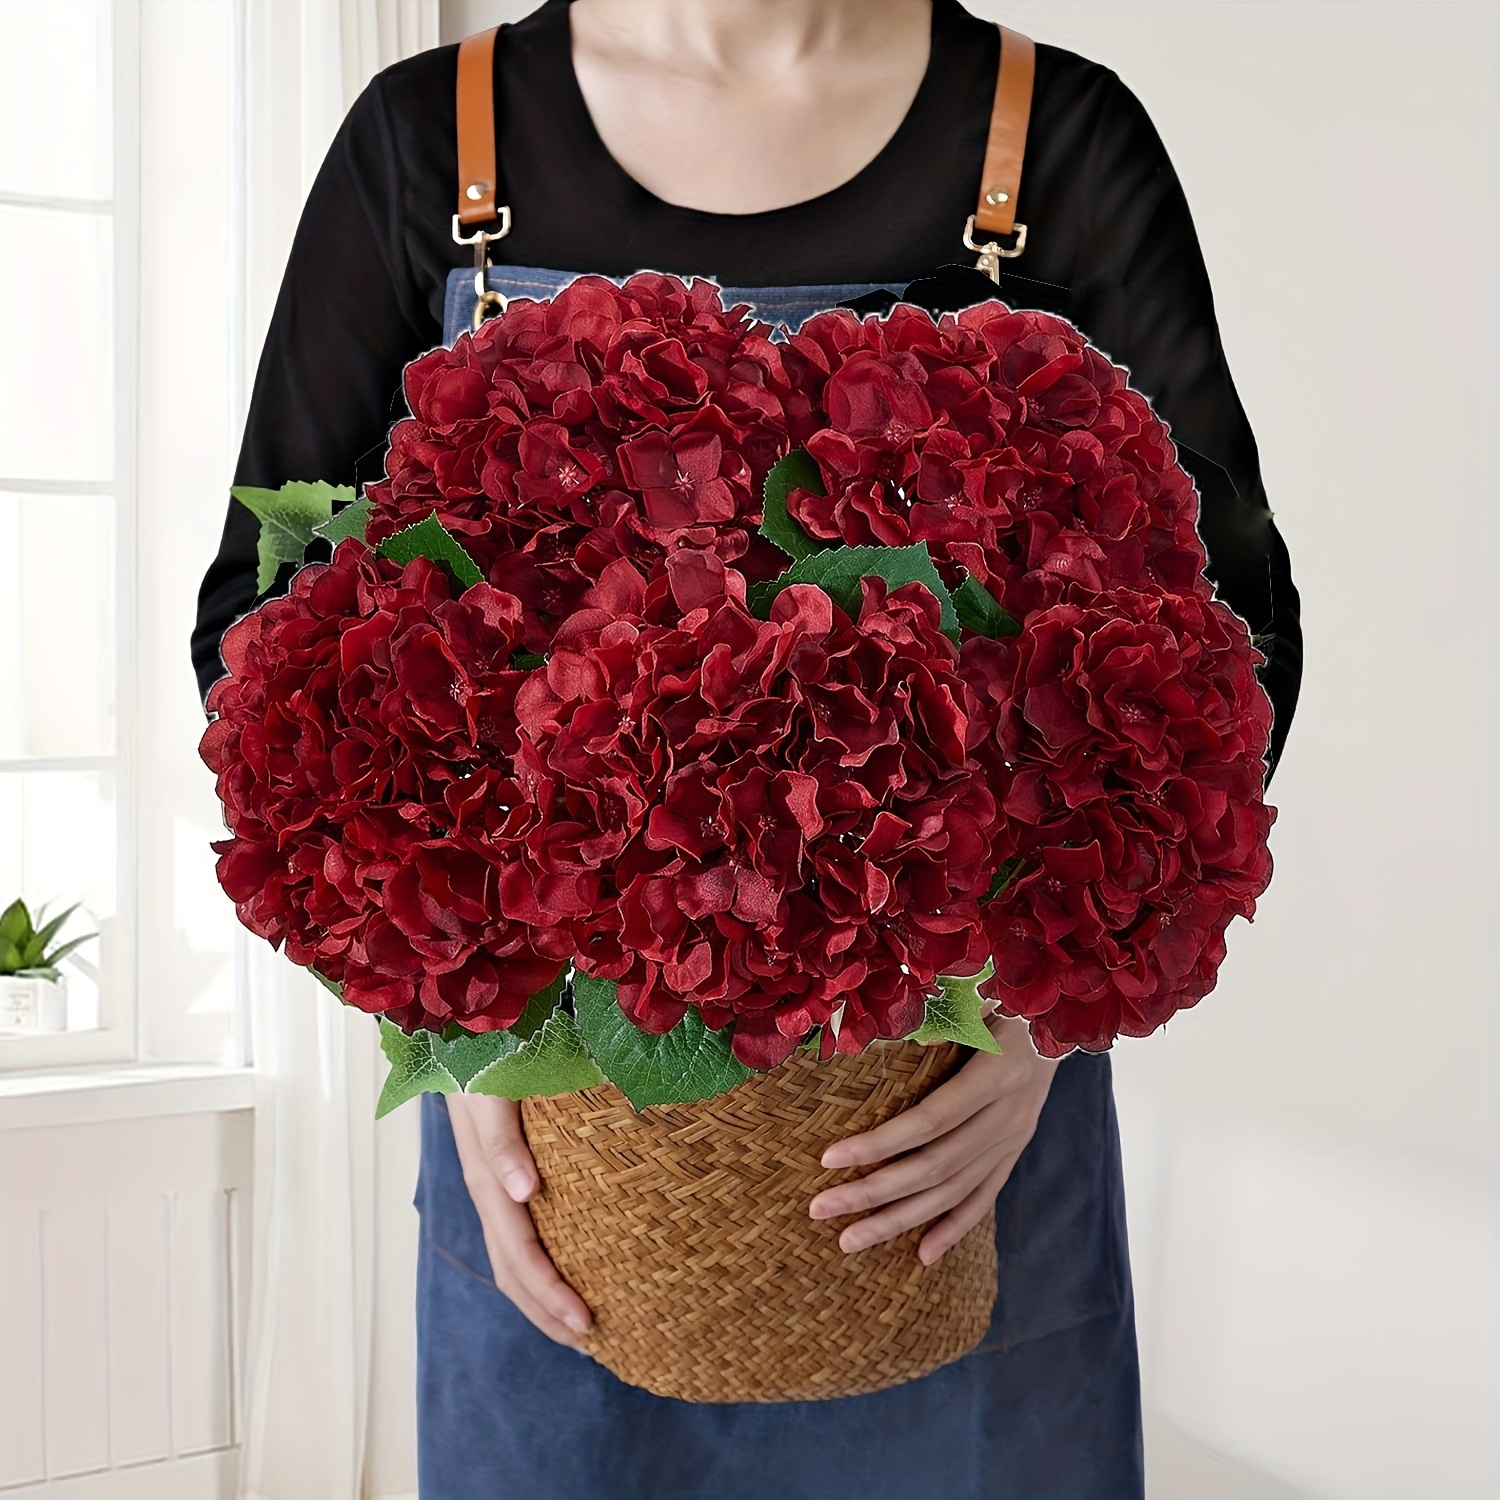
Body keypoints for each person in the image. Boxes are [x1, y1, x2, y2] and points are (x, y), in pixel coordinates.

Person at [192, 2, 1303, 1495]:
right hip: (553, 1154)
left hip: (952, 1145)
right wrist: (458, 1032)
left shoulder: (1054, 139)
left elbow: (1234, 633)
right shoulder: (431, 141)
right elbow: (264, 633)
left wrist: (1047, 1027)